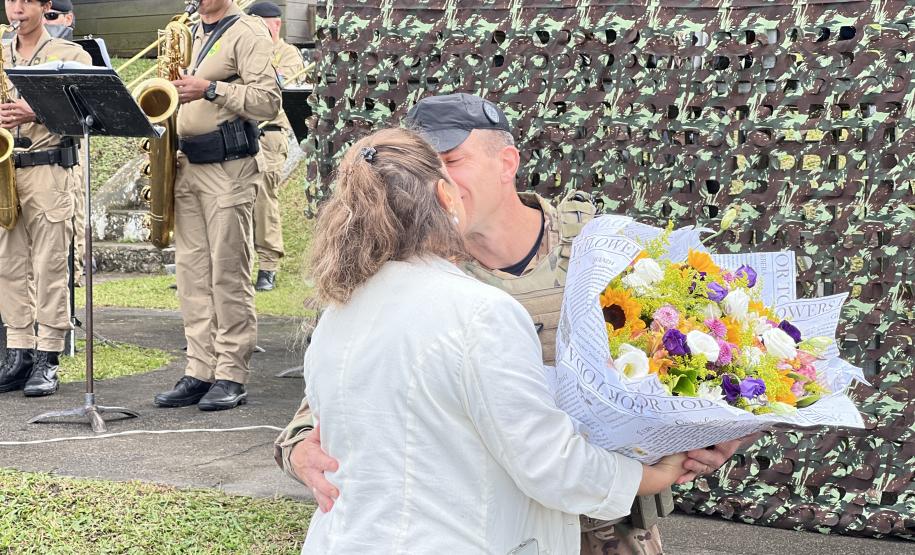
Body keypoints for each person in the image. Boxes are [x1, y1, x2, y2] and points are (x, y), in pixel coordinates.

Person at [275, 93, 745, 553]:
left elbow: (702, 354)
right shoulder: (400, 283)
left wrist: (716, 431)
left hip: (610, 526)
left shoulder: (604, 251)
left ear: (507, 162)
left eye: (452, 159)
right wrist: (299, 450)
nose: (438, 178)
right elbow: (332, 399)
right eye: (426, 165)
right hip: (505, 518)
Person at [152, 0, 280, 411]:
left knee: (228, 272)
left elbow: (267, 100)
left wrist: (209, 88)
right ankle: (199, 369)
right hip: (186, 163)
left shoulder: (249, 31)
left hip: (229, 166)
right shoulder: (188, 30)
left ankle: (230, 374)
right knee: (192, 274)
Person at [0, 0, 91, 396]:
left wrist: (31, 112)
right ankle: (18, 350)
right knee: (7, 263)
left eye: (25, 0)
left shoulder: (70, 55)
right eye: (10, 0)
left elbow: (86, 113)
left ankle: (48, 354)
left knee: (50, 263)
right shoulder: (1, 50)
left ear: (45, 6)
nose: (15, 7)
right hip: (6, 165)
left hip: (49, 168)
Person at [246, 0, 306, 292]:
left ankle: (268, 266)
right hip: (240, 133)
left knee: (263, 200)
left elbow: (281, 86)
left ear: (274, 24)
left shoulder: (287, 53)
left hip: (268, 136)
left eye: (257, 23)